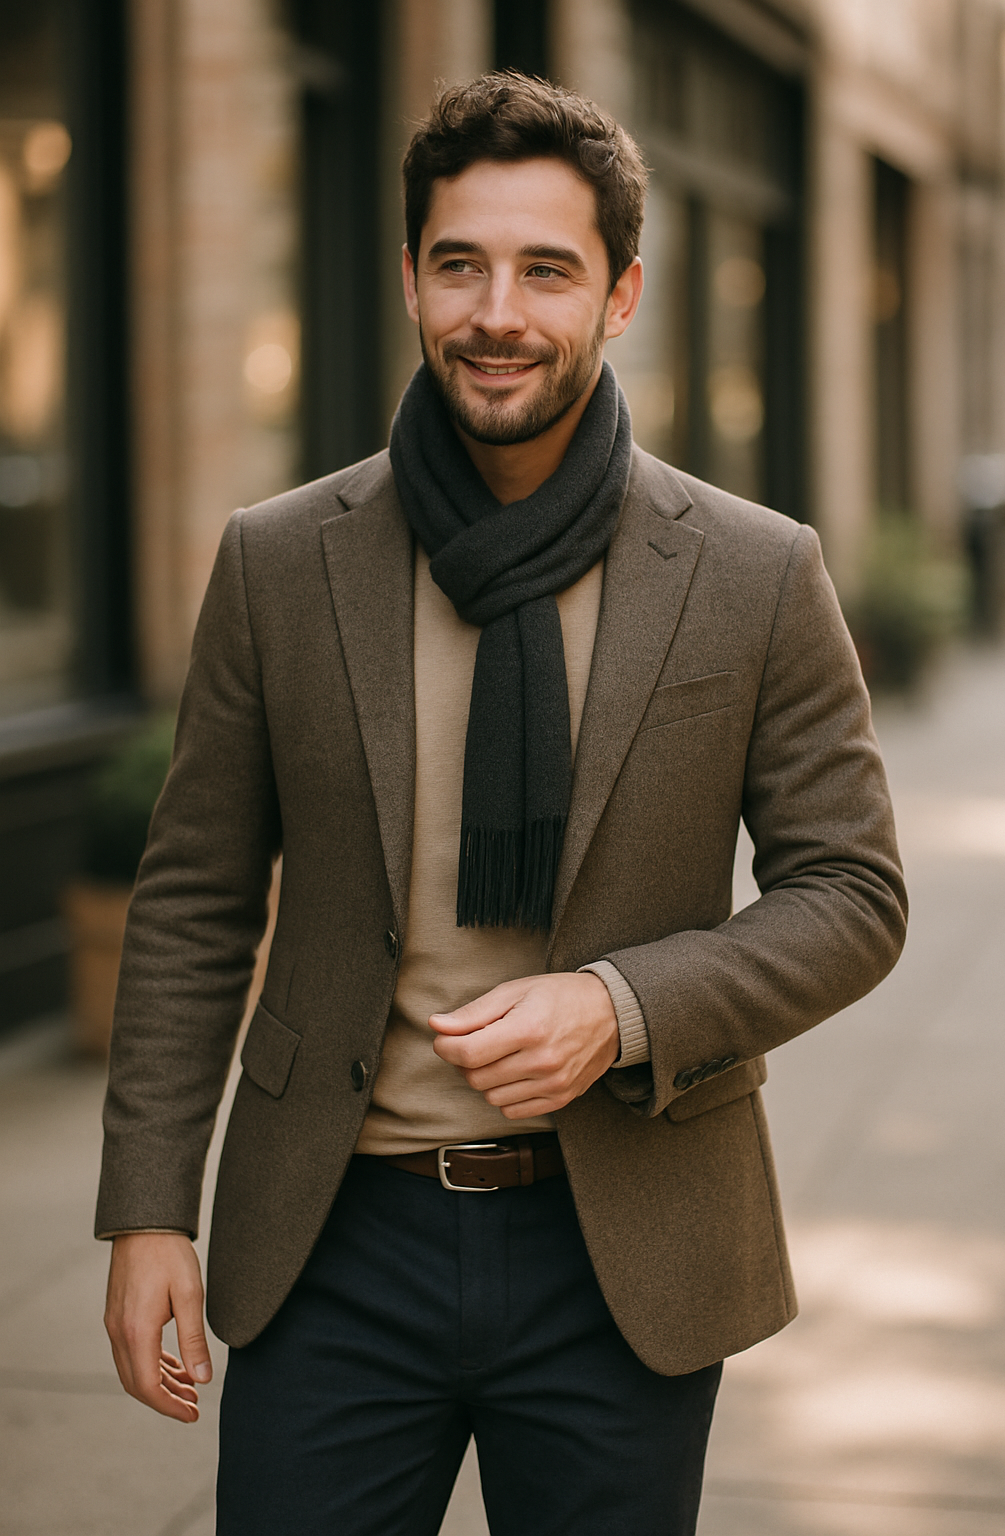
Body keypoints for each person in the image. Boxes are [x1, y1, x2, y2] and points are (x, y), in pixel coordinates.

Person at [98, 71, 906, 1536]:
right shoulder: (282, 563)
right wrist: (149, 1204)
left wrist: (621, 1005)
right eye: (461, 263)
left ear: (623, 293)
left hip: (627, 1246)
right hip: (335, 1238)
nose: (498, 312)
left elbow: (854, 896)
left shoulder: (752, 572)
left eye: (549, 269)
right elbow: (194, 899)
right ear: (410, 277)